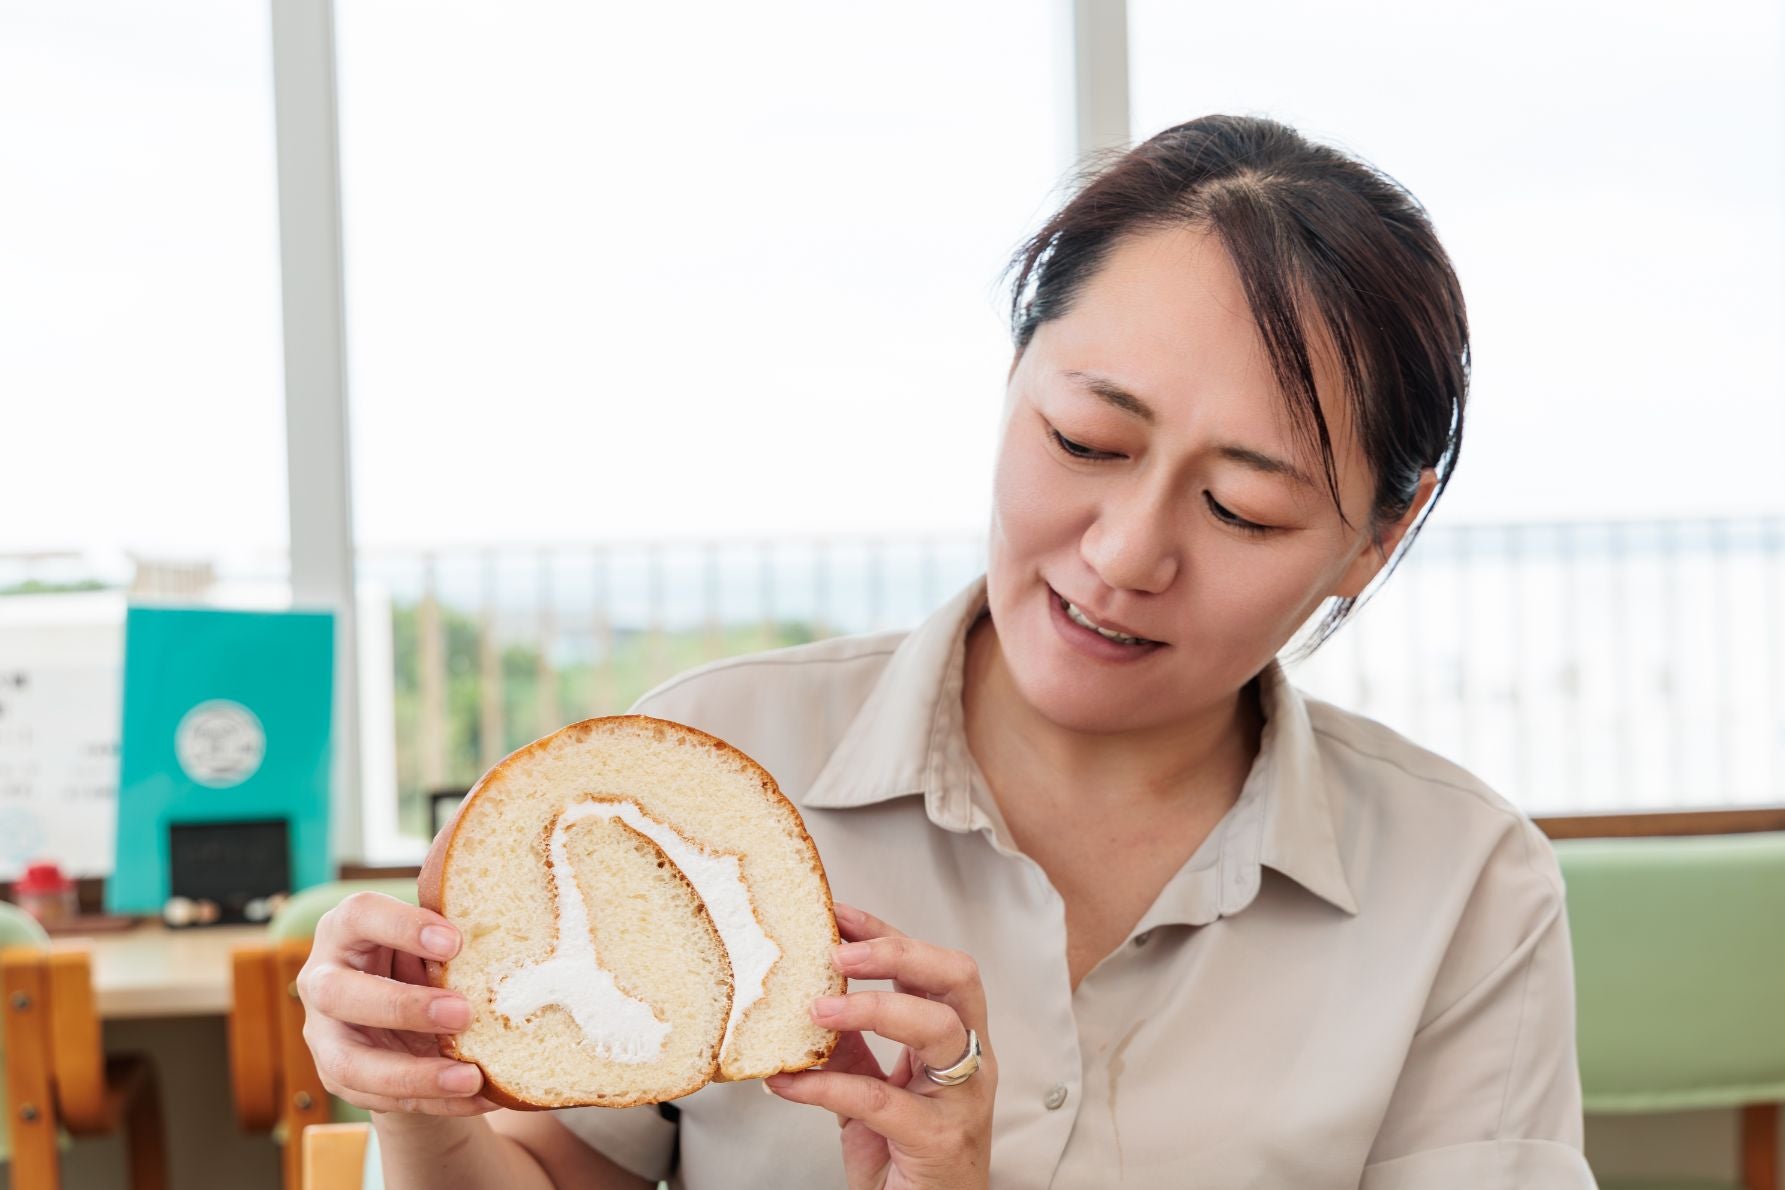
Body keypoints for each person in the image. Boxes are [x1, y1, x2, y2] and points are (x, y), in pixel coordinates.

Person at [296, 115, 1595, 1188]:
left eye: (1241, 508)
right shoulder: (711, 767)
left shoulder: (1462, 885)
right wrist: (419, 1105)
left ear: (1380, 533)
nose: (1125, 551)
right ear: (1015, 375)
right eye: (1085, 439)